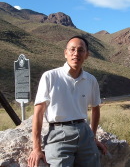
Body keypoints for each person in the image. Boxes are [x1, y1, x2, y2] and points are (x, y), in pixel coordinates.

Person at [28, 36, 107, 167]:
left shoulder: (91, 80)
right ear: (65, 53)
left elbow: (95, 109)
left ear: (86, 55)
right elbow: (38, 113)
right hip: (59, 133)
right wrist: (36, 148)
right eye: (72, 49)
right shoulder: (50, 76)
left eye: (81, 50)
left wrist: (92, 137)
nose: (76, 53)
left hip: (84, 132)